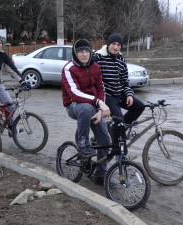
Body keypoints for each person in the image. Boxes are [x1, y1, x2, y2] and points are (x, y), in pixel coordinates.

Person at [61, 39, 111, 185]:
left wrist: (101, 110)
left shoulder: (95, 66)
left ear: (90, 52)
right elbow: (75, 93)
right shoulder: (69, 68)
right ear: (75, 53)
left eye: (86, 51)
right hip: (74, 106)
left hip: (94, 108)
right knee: (86, 108)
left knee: (105, 141)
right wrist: (98, 103)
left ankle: (101, 175)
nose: (84, 54)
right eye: (80, 51)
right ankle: (83, 142)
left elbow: (101, 89)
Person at [93, 33, 145, 146]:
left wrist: (129, 94)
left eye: (118, 45)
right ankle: (118, 152)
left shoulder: (121, 59)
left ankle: (116, 129)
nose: (115, 47)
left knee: (140, 106)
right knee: (120, 121)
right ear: (108, 44)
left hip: (120, 93)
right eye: (113, 44)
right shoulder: (98, 57)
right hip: (107, 95)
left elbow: (125, 81)